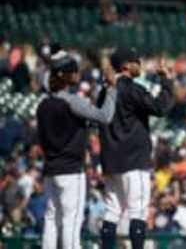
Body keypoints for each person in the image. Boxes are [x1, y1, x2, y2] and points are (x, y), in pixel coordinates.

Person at [37, 51, 117, 249]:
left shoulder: (43, 105)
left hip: (51, 169)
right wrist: (112, 88)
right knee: (71, 220)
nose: (77, 75)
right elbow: (105, 116)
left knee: (51, 218)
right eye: (74, 72)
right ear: (67, 76)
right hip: (71, 170)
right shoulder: (72, 101)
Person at [98, 47, 175, 249]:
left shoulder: (105, 91)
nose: (139, 65)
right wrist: (166, 81)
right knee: (138, 211)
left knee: (112, 211)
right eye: (136, 61)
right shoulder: (132, 88)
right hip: (133, 159)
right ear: (125, 66)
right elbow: (161, 107)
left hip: (111, 161)